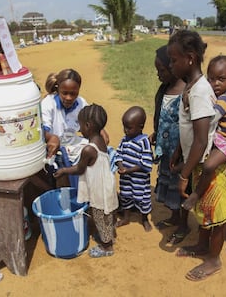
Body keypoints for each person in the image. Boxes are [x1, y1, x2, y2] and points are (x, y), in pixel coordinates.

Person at [168, 30, 226, 282]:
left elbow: (201, 138)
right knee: (205, 210)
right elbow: (187, 127)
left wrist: (184, 174)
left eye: (174, 60)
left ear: (190, 58)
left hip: (209, 165)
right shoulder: (191, 86)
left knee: (216, 215)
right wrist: (179, 151)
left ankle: (213, 259)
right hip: (197, 160)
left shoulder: (198, 91)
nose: (171, 64)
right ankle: (203, 246)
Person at [53, 104, 118, 258]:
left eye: (80, 125)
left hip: (99, 189)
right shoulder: (100, 141)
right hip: (105, 185)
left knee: (100, 217)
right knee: (105, 215)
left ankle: (106, 247)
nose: (79, 129)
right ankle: (107, 237)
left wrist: (63, 170)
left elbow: (79, 169)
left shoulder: (88, 150)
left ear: (88, 126)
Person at [183, 55, 226, 210]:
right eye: (211, 79)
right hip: (221, 136)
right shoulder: (218, 94)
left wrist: (195, 108)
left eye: (221, 79)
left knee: (209, 165)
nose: (215, 84)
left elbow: (211, 119)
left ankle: (196, 194)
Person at [41, 68, 109, 186]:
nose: (69, 98)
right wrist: (51, 137)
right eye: (64, 93)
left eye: (73, 94)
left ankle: (97, 187)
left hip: (72, 144)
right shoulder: (48, 104)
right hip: (54, 149)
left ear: (78, 90)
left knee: (106, 153)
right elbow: (42, 131)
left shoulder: (80, 103)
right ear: (58, 90)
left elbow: (92, 120)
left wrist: (100, 130)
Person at [149, 45, 189, 241]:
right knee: (169, 184)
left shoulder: (187, 93)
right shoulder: (164, 89)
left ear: (175, 66)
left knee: (180, 188)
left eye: (162, 71)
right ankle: (174, 217)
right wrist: (156, 133)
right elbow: (161, 116)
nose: (159, 75)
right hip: (166, 151)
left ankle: (183, 225)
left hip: (180, 153)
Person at [114, 106, 153, 232]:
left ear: (140, 127)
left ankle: (144, 219)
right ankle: (126, 218)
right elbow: (118, 154)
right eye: (124, 127)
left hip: (139, 181)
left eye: (129, 128)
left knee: (143, 200)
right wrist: (120, 166)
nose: (125, 130)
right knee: (126, 196)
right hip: (126, 179)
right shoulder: (124, 140)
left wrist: (128, 170)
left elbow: (146, 163)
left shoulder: (144, 142)